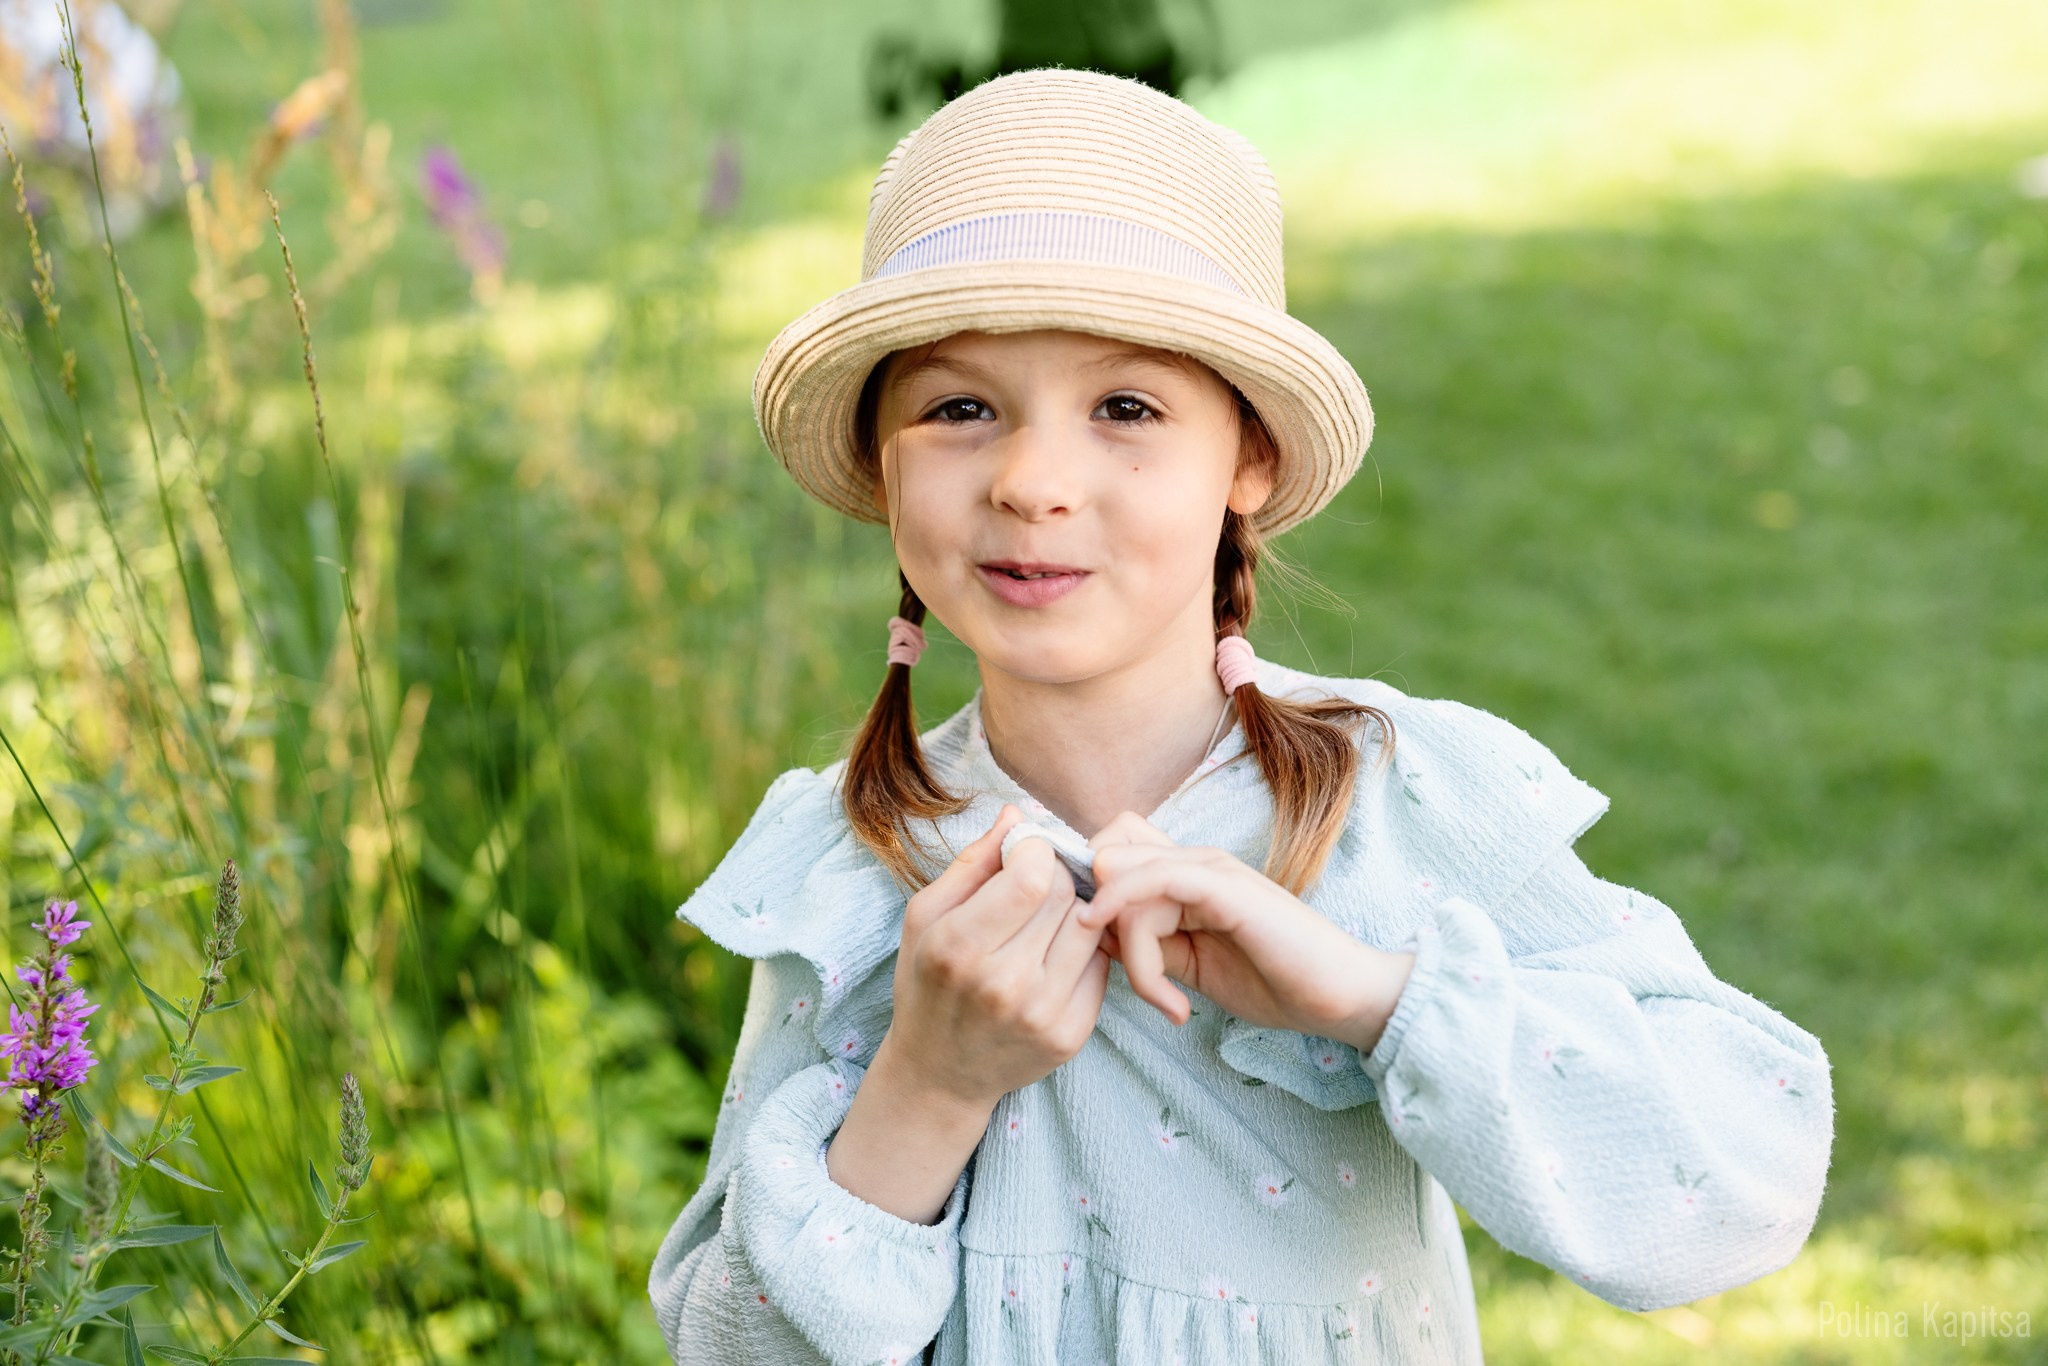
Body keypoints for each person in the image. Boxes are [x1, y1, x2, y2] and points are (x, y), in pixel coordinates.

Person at [648, 68, 1835, 1365]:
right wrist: (923, 1092)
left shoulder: (1392, 798)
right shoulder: (855, 862)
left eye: (1127, 408)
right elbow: (727, 1346)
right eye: (960, 407)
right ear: (883, 459)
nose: (1034, 481)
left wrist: (1382, 1001)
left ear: (1250, 458)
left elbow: (1743, 1171)